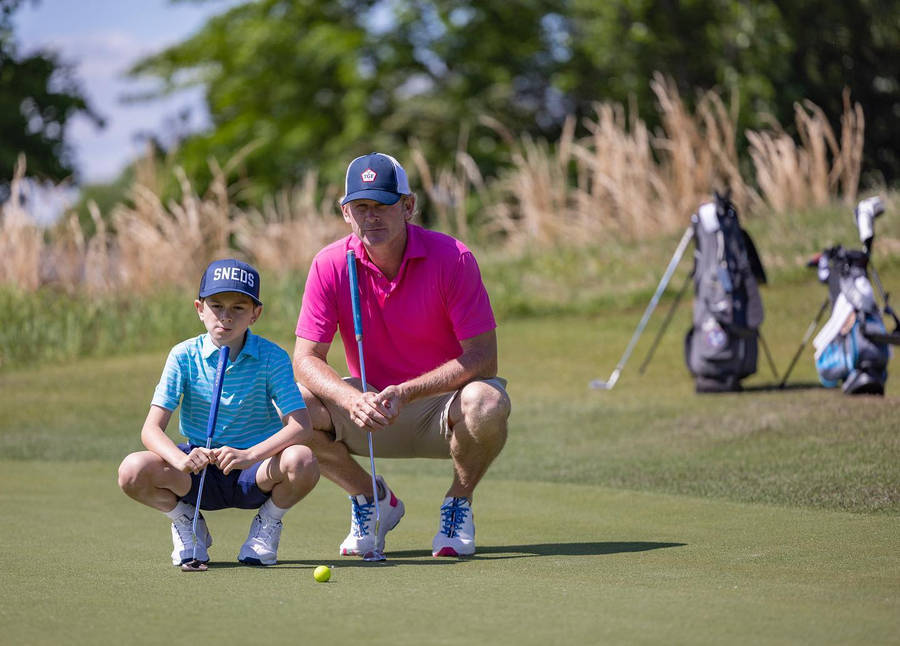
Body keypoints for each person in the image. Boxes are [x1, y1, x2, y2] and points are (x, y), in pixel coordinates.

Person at [293, 152, 511, 558]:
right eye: (361, 207)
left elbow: (483, 358)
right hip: (368, 409)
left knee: (488, 401)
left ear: (408, 206)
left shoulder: (452, 257)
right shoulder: (329, 265)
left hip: (442, 410)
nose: (371, 217)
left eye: (382, 205)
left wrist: (406, 392)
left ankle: (458, 504)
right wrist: (349, 398)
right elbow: (304, 359)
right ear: (346, 213)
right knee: (289, 405)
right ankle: (370, 500)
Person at [118, 259, 319, 567]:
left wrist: (249, 455)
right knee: (131, 470)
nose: (225, 317)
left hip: (256, 470)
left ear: (255, 314)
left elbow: (301, 426)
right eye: (216, 306)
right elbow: (151, 430)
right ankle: (185, 520)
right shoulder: (183, 355)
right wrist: (181, 460)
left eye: (238, 308)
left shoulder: (272, 357)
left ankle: (267, 524)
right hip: (197, 472)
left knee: (302, 460)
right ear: (200, 308)